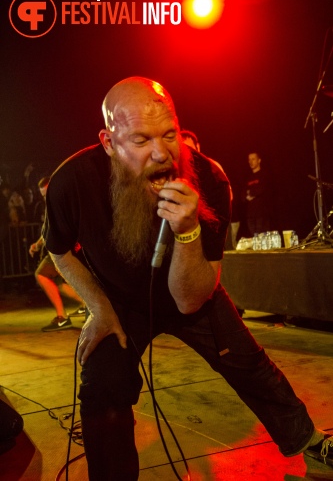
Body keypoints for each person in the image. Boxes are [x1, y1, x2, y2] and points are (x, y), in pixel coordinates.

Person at [43, 77, 332, 479]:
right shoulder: (71, 181)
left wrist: (188, 230)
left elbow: (191, 300)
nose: (161, 154)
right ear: (110, 143)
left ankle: (311, 444)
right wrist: (99, 308)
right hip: (119, 300)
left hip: (189, 289)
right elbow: (58, 251)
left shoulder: (210, 179)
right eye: (141, 140)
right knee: (102, 383)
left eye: (169, 135)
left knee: (248, 363)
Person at [29, 177, 85, 331]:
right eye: (42, 195)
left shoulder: (60, 203)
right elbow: (48, 227)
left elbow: (57, 228)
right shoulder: (59, 202)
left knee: (42, 275)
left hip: (62, 248)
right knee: (61, 284)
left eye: (47, 194)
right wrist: (38, 244)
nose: (45, 198)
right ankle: (87, 305)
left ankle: (62, 317)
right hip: (65, 248)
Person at [241, 151, 271, 235]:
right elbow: (242, 195)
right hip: (250, 214)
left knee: (262, 238)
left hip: (262, 214)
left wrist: (250, 192)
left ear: (259, 160)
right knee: (254, 239)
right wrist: (248, 195)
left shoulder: (264, 175)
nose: (251, 161)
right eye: (249, 159)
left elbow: (261, 189)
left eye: (253, 159)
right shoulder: (248, 177)